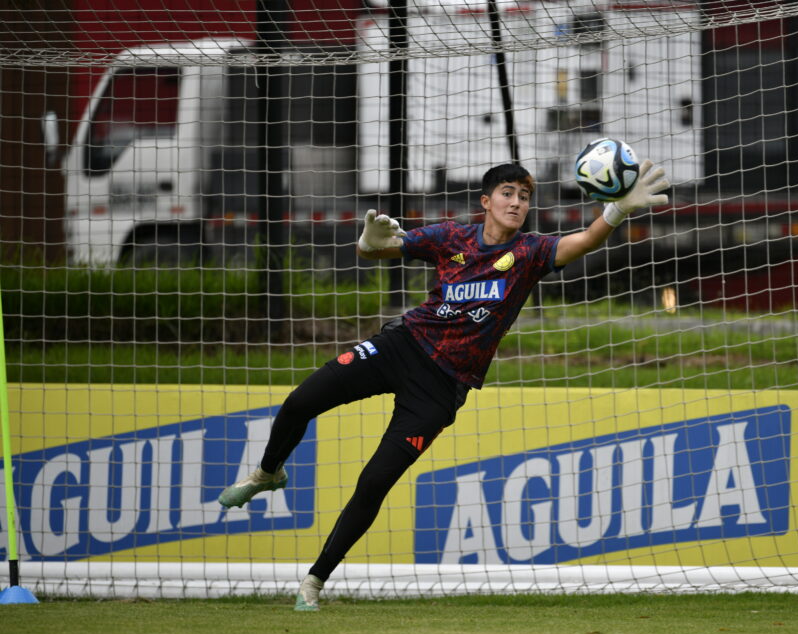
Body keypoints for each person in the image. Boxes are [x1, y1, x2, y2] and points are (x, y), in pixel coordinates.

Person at [217, 160, 669, 611]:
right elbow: (381, 247)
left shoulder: (530, 252)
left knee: (374, 480)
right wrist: (368, 242)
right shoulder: (451, 237)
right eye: (508, 193)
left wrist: (617, 212)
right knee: (301, 401)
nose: (517, 203)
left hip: (440, 389)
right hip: (401, 346)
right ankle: (268, 472)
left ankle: (313, 583)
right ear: (486, 202)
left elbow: (583, 242)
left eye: (525, 197)